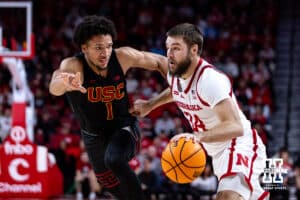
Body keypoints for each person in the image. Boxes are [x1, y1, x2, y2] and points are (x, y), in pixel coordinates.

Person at [130, 23, 269, 200]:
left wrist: (197, 137)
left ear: (194, 50)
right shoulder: (177, 73)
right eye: (168, 48)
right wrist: (151, 104)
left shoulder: (211, 81)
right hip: (218, 152)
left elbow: (235, 127)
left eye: (176, 48)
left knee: (226, 197)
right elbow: (175, 87)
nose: (169, 54)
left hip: (240, 145)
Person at [49, 15, 168, 200]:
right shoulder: (73, 65)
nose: (105, 52)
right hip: (93, 137)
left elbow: (160, 62)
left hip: (124, 129)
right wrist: (65, 81)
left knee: (114, 159)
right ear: (84, 48)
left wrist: (182, 81)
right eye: (98, 48)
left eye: (109, 46)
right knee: (111, 186)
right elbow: (54, 86)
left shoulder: (122, 57)